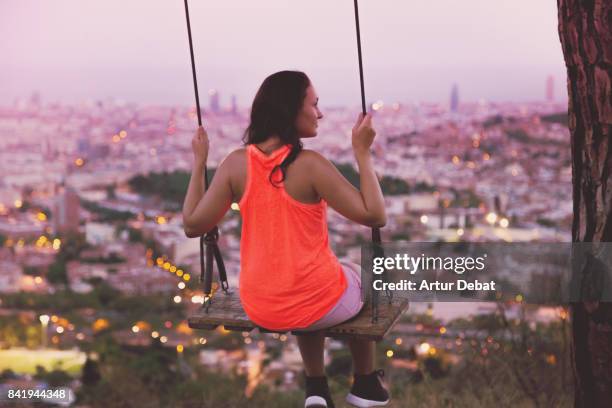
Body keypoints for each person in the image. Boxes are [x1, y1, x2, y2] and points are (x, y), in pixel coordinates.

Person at [182, 71, 389, 408]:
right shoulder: (311, 166)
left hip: (261, 305)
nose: (319, 113)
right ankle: (365, 384)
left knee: (311, 289)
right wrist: (362, 154)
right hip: (316, 299)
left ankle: (316, 388)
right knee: (356, 274)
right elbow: (375, 215)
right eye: (315, 104)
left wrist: (199, 162)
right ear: (292, 110)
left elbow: (192, 223)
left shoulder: (235, 164)